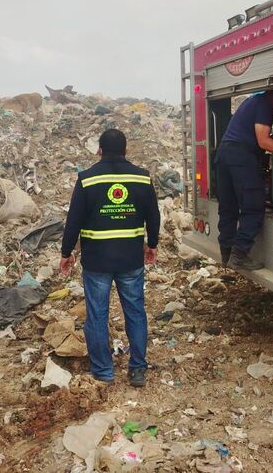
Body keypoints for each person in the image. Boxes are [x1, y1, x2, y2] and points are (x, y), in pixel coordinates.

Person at [59, 129, 160, 387]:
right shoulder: (141, 178)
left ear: (99, 151)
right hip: (130, 259)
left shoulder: (87, 179)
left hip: (97, 261)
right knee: (136, 312)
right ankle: (137, 369)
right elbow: (153, 215)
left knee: (97, 315)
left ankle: (104, 372)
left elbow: (73, 221)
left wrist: (66, 252)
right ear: (126, 151)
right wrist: (153, 244)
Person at [216, 90, 273, 270]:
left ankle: (226, 254)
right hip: (241, 158)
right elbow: (263, 141)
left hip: (224, 154)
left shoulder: (251, 102)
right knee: (253, 206)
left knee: (228, 207)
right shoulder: (265, 105)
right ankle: (240, 256)